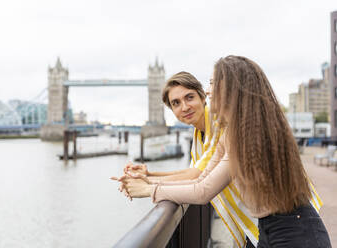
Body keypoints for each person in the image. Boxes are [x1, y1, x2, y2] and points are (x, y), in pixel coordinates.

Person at [115, 56, 331, 248]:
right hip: (267, 227)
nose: (208, 91)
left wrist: (148, 190)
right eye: (176, 103)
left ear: (232, 89)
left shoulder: (244, 132)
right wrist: (149, 180)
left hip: (293, 230)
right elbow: (202, 175)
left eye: (211, 84)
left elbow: (202, 189)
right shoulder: (232, 131)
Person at [114, 71, 260, 247]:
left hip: (269, 222)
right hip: (252, 225)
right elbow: (194, 173)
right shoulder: (199, 133)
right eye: (176, 103)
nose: (184, 107)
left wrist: (148, 187)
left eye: (189, 97)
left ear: (203, 97)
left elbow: (197, 177)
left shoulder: (218, 124)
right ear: (172, 110)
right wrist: (149, 176)